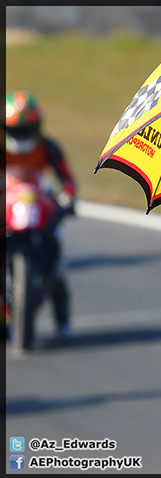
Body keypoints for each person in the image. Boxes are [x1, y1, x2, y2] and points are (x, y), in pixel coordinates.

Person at [5, 90, 76, 341]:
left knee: (57, 263)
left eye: (27, 129)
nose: (22, 136)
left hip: (40, 208)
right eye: (16, 130)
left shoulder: (49, 147)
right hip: (7, 209)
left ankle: (63, 318)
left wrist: (67, 198)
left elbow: (67, 179)